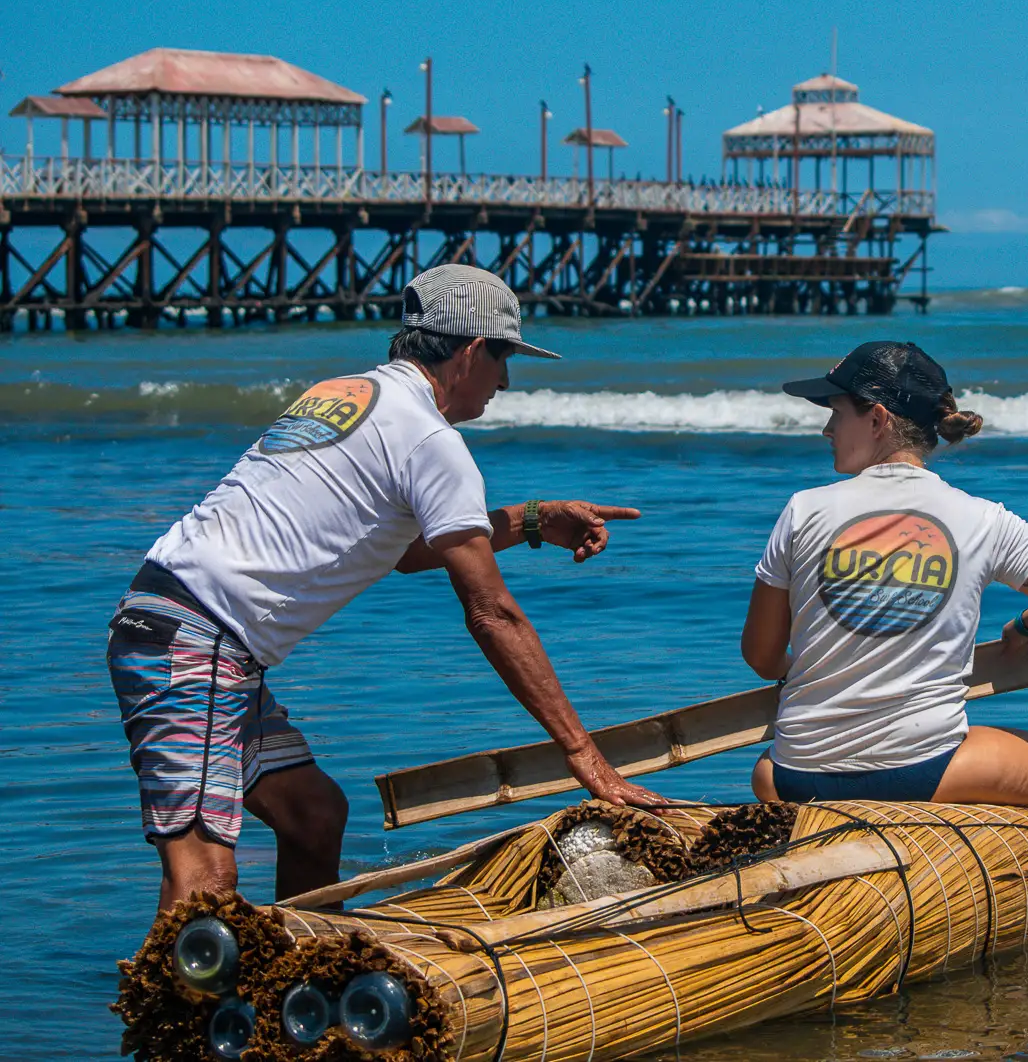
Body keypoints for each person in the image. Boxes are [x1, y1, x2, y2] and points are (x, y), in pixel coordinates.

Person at [108, 264, 665, 913]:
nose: (506, 383)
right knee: (203, 877)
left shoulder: (347, 393)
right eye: (504, 360)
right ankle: (170, 1015)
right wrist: (585, 757)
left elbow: (400, 553)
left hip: (180, 623)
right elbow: (493, 614)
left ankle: (296, 992)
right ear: (471, 353)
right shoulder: (431, 438)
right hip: (196, 645)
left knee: (314, 816)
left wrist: (532, 521)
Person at [739, 341, 1028, 909]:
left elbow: (762, 657)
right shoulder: (983, 520)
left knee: (765, 770)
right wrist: (1026, 623)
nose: (825, 431)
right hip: (921, 768)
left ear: (877, 419)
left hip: (797, 776)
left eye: (833, 413)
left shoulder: (802, 510)